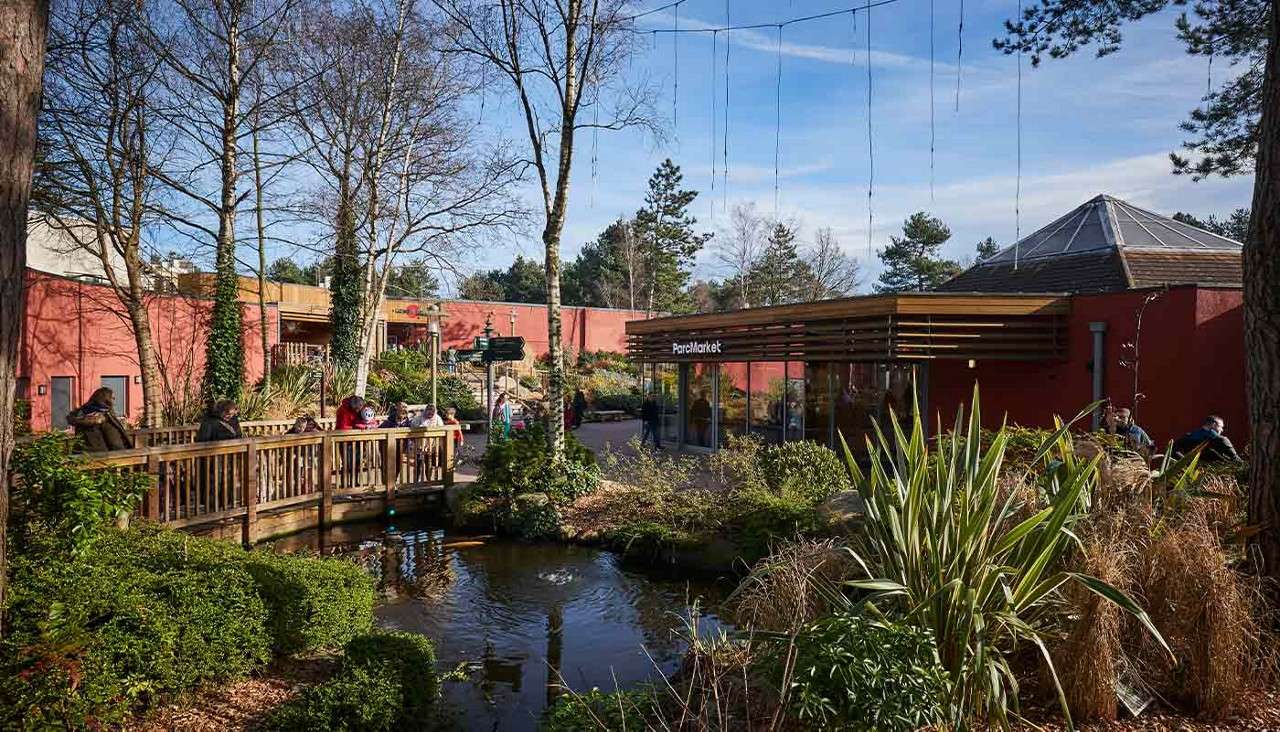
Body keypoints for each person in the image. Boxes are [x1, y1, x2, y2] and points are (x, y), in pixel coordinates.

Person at [66, 387, 133, 452]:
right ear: (106, 399)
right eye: (112, 397)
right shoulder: (104, 417)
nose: (114, 399)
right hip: (101, 458)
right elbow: (115, 443)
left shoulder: (81, 414)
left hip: (80, 456)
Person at [1173, 415, 1242, 463]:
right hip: (1215, 480)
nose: (1222, 430)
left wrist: (1187, 464)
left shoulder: (1188, 437)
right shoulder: (1222, 440)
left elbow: (1173, 451)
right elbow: (1236, 460)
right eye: (1221, 427)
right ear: (1214, 425)